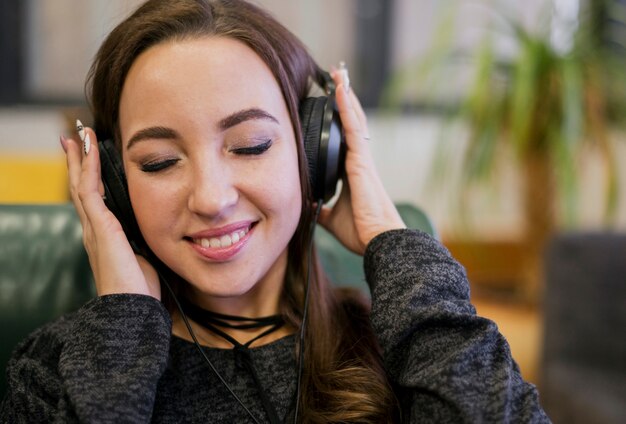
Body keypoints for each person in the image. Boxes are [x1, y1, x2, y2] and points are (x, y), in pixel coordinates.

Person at [0, 0, 550, 422]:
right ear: (114, 184)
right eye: (160, 161)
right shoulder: (56, 373)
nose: (212, 199)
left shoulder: (406, 350)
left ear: (316, 157)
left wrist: (391, 239)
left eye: (251, 145)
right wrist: (120, 336)